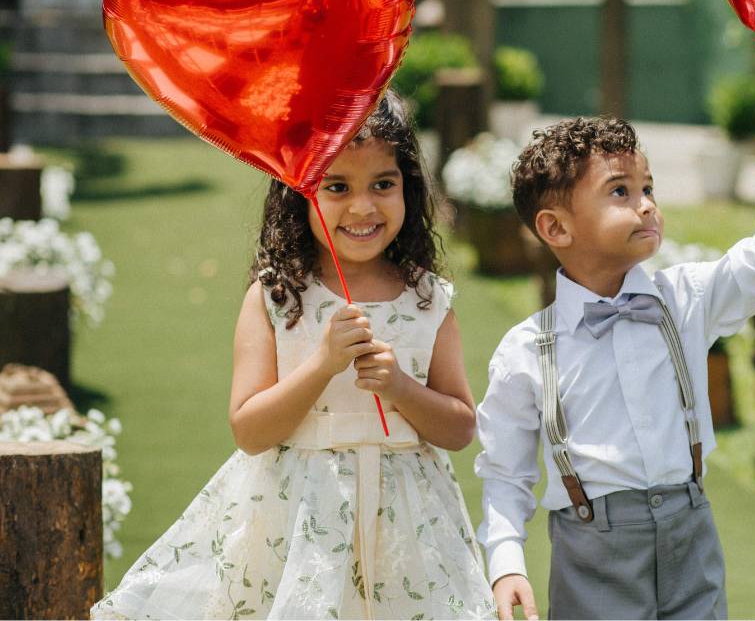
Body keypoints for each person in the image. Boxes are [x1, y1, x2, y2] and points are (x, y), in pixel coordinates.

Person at [92, 94, 496, 620]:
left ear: (409, 187)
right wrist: (322, 363)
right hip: (301, 519)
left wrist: (400, 387)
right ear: (300, 192)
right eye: (337, 187)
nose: (362, 207)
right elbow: (250, 430)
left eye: (383, 184)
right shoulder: (277, 298)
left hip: (408, 529)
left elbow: (459, 428)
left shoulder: (427, 299)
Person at [474, 104, 755, 620]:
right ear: (556, 228)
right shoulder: (526, 350)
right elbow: (505, 472)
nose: (647, 206)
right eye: (621, 192)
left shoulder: (686, 299)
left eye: (648, 188)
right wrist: (505, 561)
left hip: (690, 535)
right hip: (593, 558)